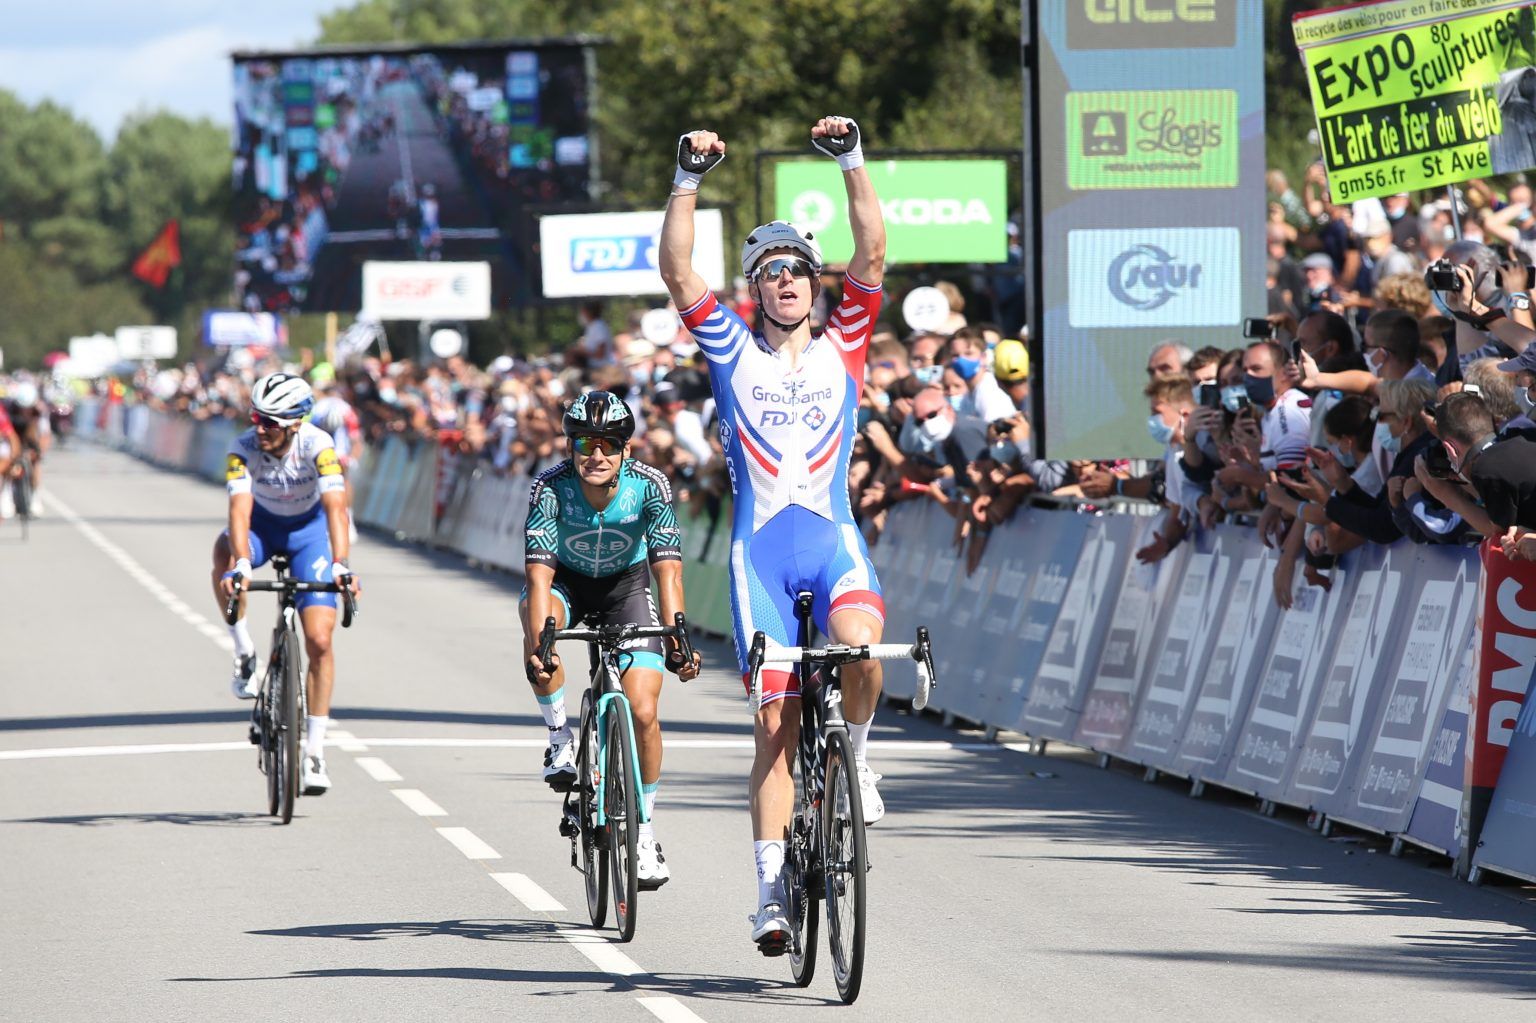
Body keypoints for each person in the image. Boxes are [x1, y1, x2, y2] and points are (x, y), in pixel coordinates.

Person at [660, 114, 889, 952]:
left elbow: (871, 249)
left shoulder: (848, 340)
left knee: (863, 651)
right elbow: (678, 267)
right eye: (770, 272)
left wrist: (852, 161)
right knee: (775, 732)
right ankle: (769, 896)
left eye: (797, 269)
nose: (786, 281)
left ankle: (857, 757)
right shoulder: (727, 344)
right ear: (755, 288)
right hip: (761, 557)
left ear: (813, 284)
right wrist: (686, 178)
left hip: (831, 542)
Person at [522, 390, 702, 891]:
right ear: (570, 445)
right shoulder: (550, 488)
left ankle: (644, 834)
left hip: (628, 587)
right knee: (538, 625)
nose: (595, 455)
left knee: (643, 709)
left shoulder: (650, 487)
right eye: (584, 443)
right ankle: (560, 738)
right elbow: (538, 580)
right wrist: (543, 646)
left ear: (625, 448)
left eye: (607, 444)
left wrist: (677, 637)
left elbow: (668, 572)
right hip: (566, 584)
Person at [213, 373, 359, 796]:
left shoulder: (319, 446)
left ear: (296, 423)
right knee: (223, 552)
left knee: (319, 640)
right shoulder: (241, 448)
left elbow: (336, 507)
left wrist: (340, 564)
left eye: (271, 422)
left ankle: (314, 752)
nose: (260, 428)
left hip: (308, 534)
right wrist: (241, 564)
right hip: (261, 528)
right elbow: (238, 510)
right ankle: (243, 650)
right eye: (257, 417)